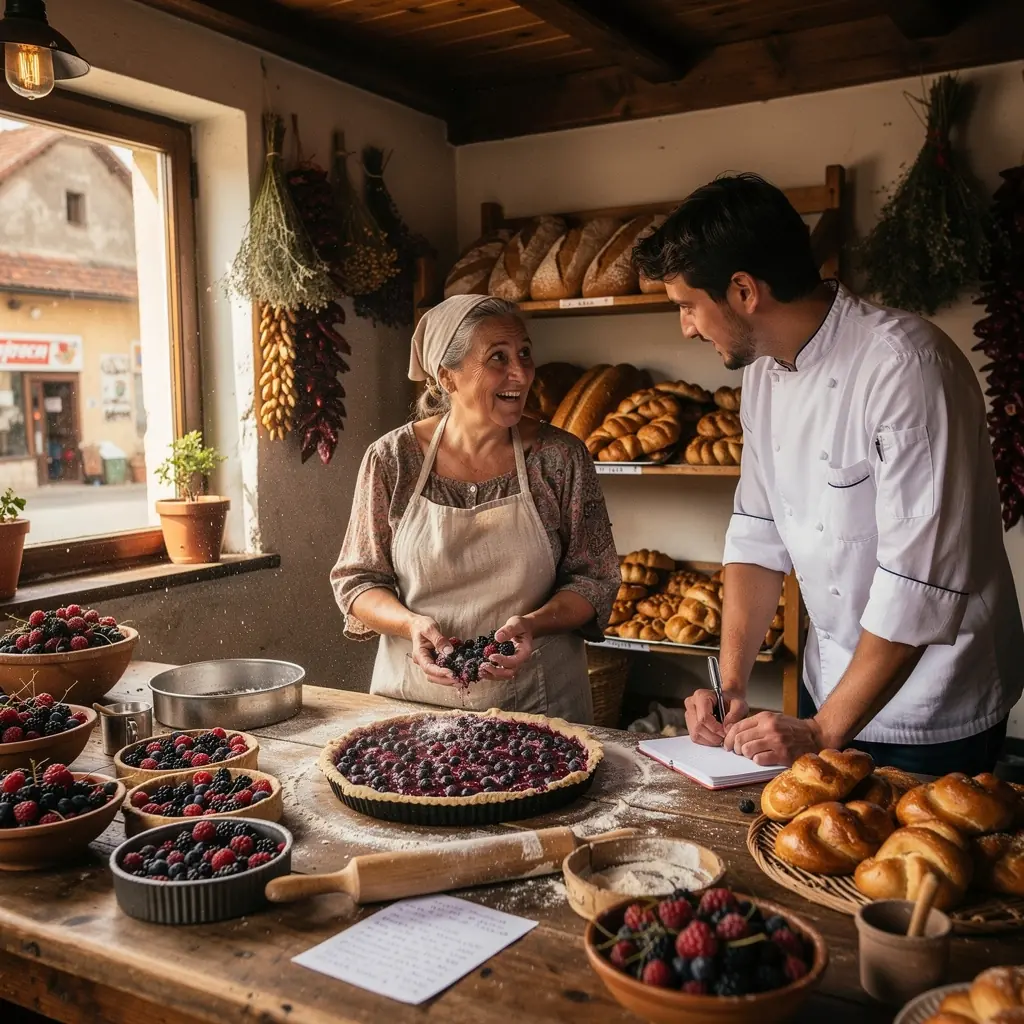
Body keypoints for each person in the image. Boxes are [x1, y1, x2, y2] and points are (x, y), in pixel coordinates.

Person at [633, 173, 1024, 775]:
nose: (686, 326)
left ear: (742, 290)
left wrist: (821, 730)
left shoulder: (906, 368)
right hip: (831, 685)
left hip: (934, 702)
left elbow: (916, 582)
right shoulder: (763, 374)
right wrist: (731, 682)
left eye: (688, 306)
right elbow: (756, 533)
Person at [331, 294, 619, 724]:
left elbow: (595, 580)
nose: (520, 373)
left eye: (524, 353)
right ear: (448, 378)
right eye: (497, 358)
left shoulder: (559, 458)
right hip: (414, 705)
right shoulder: (392, 460)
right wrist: (412, 625)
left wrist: (534, 624)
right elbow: (357, 582)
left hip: (537, 706)